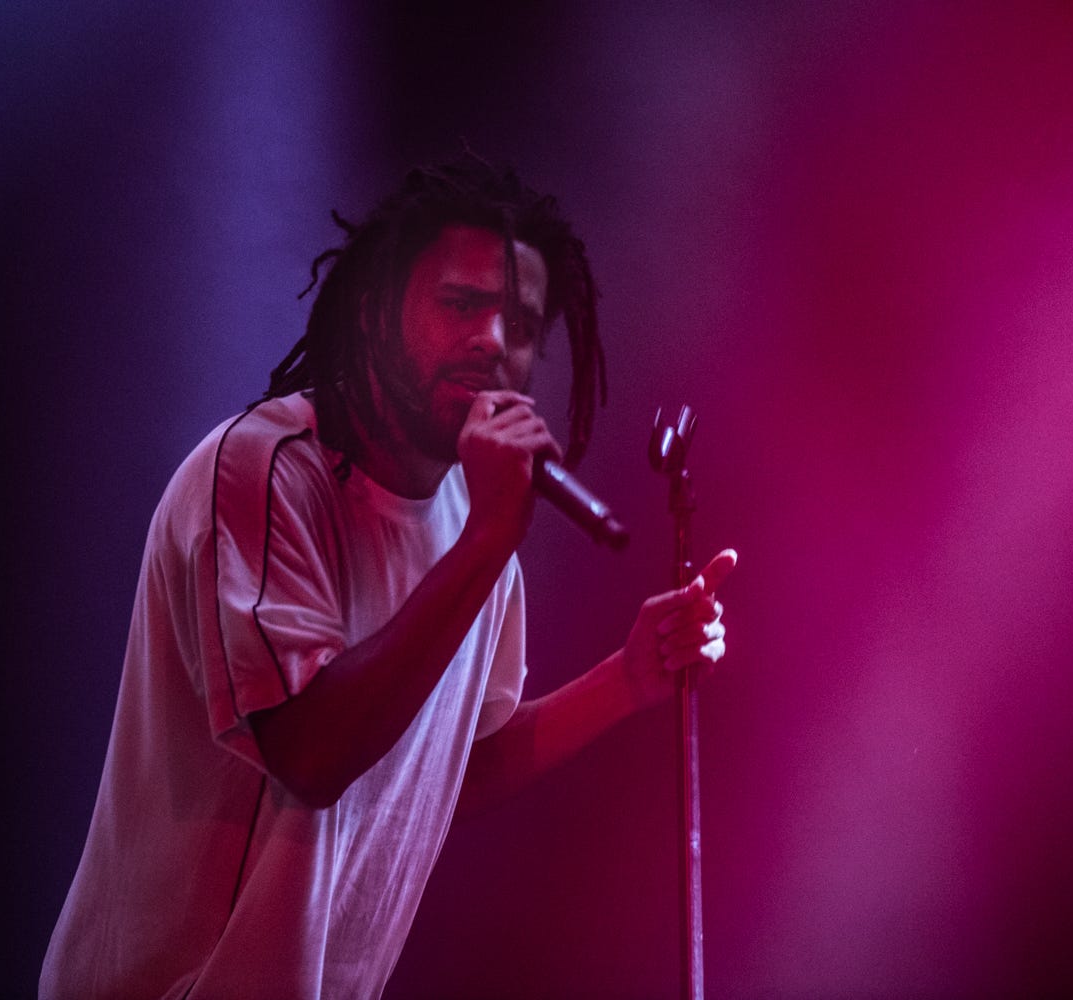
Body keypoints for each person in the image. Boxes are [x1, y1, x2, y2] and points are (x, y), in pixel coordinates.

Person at [40, 155, 737, 1000]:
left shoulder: (477, 528)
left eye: (521, 324)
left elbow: (441, 773)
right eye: (460, 304)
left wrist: (625, 680)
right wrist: (487, 542)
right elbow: (313, 755)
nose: (492, 341)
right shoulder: (264, 474)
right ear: (375, 311)